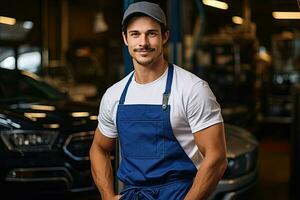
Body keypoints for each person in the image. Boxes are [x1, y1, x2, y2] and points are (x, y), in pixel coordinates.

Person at [89, 1, 227, 200]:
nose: (143, 42)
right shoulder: (115, 95)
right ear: (125, 38)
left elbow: (216, 158)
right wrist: (108, 196)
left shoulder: (192, 89)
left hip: (179, 194)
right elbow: (99, 148)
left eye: (151, 33)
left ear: (165, 37)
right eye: (135, 34)